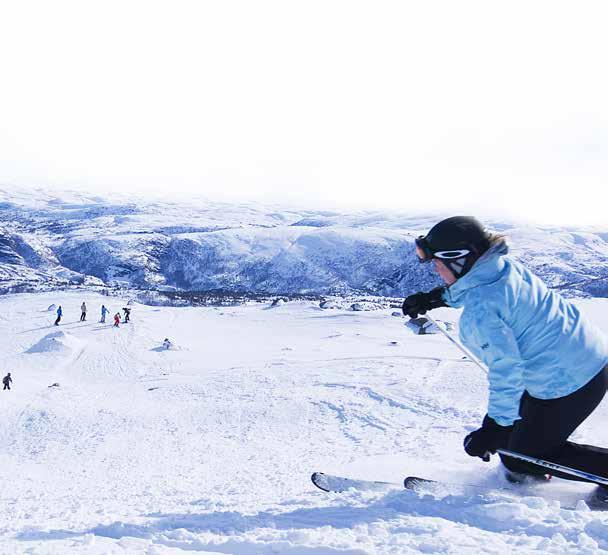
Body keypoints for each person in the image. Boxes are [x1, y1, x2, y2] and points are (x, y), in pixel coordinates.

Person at [402, 216, 608, 495]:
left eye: (437, 261)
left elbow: (506, 371)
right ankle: (529, 469)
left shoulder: (482, 312)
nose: (435, 268)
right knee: (513, 451)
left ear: (458, 259)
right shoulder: (501, 267)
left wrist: (495, 426)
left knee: (527, 458)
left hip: (568, 380)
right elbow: (481, 286)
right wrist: (437, 298)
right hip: (583, 358)